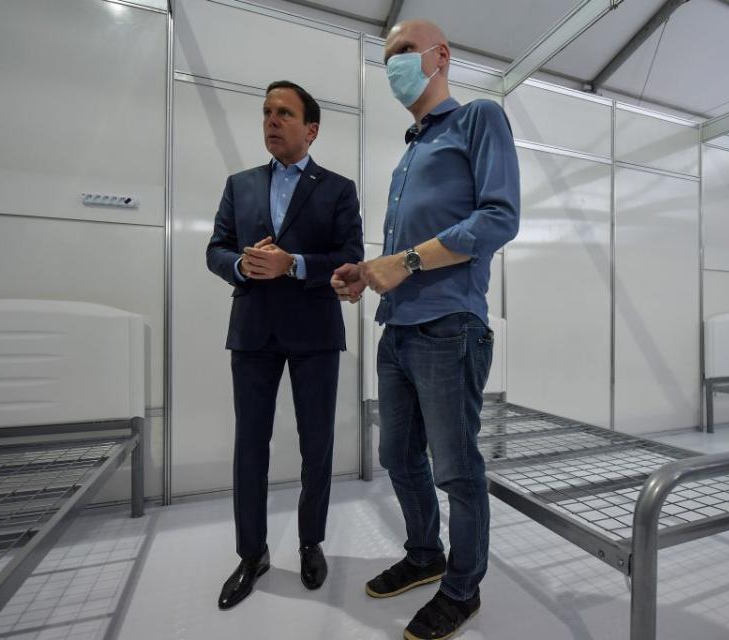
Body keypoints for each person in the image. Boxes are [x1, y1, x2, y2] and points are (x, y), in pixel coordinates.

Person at [332, 19, 519, 640]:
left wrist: (405, 261)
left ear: (440, 57)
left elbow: (498, 218)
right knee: (397, 456)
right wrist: (367, 272)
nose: (394, 66)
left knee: (457, 469)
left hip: (449, 328)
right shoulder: (412, 149)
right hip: (399, 328)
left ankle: (462, 588)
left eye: (404, 52)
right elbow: (405, 250)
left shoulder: (478, 120)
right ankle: (423, 553)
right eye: (386, 58)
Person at [207, 80, 363, 610]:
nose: (272, 120)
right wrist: (240, 264)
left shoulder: (338, 189)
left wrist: (292, 264)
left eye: (284, 113)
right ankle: (252, 555)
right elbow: (216, 248)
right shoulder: (240, 184)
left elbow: (350, 255)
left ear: (310, 128)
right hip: (252, 331)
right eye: (267, 112)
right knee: (249, 446)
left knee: (315, 444)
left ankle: (309, 542)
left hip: (315, 333)